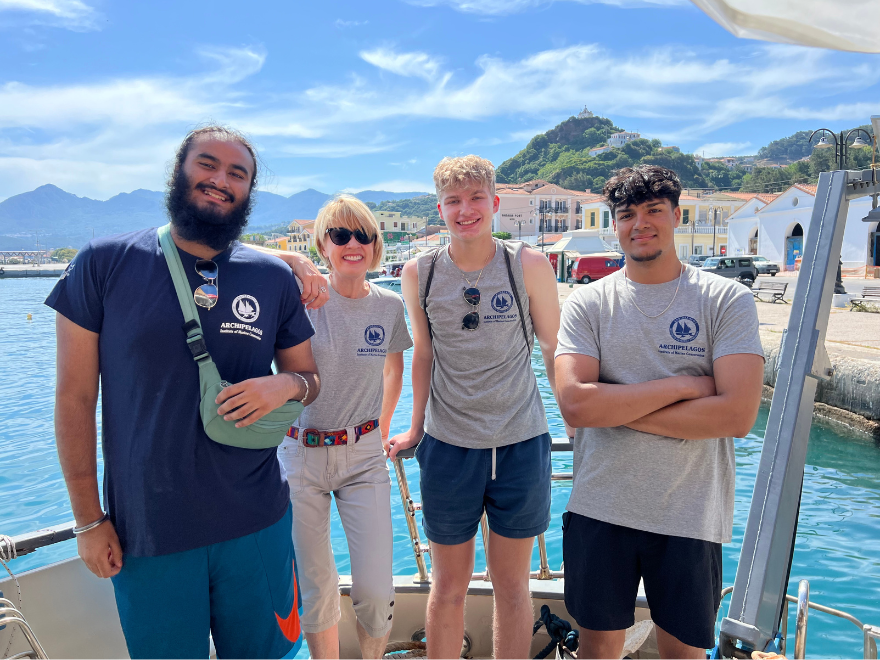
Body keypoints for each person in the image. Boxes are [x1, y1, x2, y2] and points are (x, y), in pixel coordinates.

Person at [46, 125, 325, 659]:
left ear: (248, 193)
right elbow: (73, 400)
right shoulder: (103, 264)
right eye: (207, 164)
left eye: (237, 174)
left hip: (258, 522)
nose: (220, 180)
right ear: (179, 170)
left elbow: (310, 380)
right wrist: (88, 519)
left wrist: (284, 385)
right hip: (149, 532)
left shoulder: (271, 277)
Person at [555, 165, 765, 659]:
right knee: (596, 650)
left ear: (676, 215)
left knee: (684, 654)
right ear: (615, 225)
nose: (640, 224)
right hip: (599, 507)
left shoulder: (726, 299)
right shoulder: (588, 304)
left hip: (690, 514)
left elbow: (736, 416)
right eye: (627, 214)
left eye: (653, 211)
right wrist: (683, 386)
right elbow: (576, 403)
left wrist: (615, 404)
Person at [388, 155, 566, 659]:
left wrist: (573, 420)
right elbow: (422, 354)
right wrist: (415, 427)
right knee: (448, 588)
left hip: (520, 444)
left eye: (475, 198)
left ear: (495, 203)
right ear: (439, 208)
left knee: (513, 587)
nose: (465, 210)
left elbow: (552, 347)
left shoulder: (527, 264)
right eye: (453, 201)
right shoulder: (418, 273)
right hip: (448, 447)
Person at [277, 195, 412, 659]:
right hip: (299, 454)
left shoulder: (390, 307)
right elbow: (231, 253)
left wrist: (385, 426)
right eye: (340, 235)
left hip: (363, 457)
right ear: (323, 244)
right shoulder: (299, 299)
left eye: (364, 235)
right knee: (316, 585)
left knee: (376, 589)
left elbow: (395, 370)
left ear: (376, 245)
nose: (353, 244)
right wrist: (293, 260)